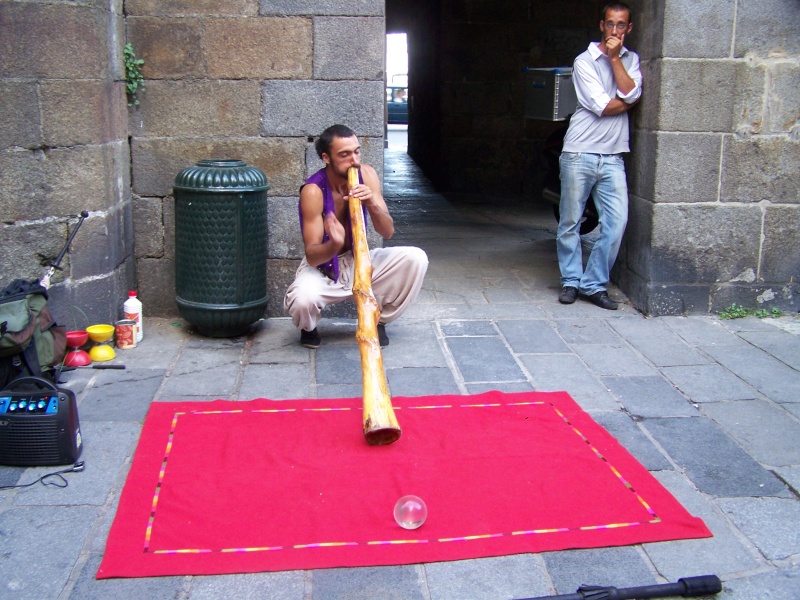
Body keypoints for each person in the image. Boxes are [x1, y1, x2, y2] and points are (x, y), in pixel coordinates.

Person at [284, 124, 428, 348]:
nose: (354, 160)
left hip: (358, 259)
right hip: (323, 267)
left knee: (415, 258)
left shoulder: (367, 174)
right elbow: (312, 256)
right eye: (344, 154)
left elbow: (387, 231)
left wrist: (371, 203)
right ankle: (308, 327)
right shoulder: (313, 191)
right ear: (326, 158)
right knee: (303, 299)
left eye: (356, 151)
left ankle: (377, 320)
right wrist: (334, 243)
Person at [556, 1, 642, 310]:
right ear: (601, 26)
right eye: (610, 24)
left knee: (616, 223)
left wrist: (617, 59)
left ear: (628, 29)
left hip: (613, 156)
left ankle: (593, 284)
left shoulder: (630, 60)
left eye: (621, 25)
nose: (615, 30)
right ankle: (571, 281)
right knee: (570, 221)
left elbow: (631, 93)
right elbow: (603, 105)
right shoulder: (584, 61)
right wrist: (628, 100)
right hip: (579, 152)